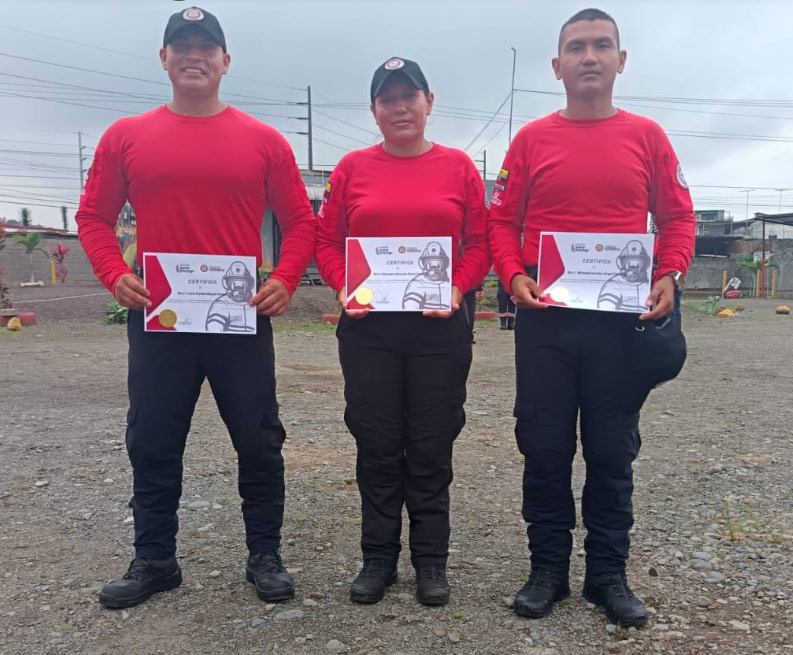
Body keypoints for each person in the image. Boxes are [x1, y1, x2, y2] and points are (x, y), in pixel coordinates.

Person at [76, 6, 316, 609]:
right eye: (181, 45)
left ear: (225, 61)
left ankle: (264, 556)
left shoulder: (264, 141)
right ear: (163, 58)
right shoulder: (125, 137)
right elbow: (93, 217)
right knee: (153, 440)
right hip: (160, 318)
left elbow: (300, 221)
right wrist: (114, 273)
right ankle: (155, 560)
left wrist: (286, 278)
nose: (194, 55)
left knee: (258, 441)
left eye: (206, 47)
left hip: (240, 317)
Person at [487, 8, 695, 627]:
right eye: (576, 47)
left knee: (611, 450)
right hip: (546, 322)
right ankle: (547, 570)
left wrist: (669, 272)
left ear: (620, 61)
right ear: (557, 66)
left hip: (619, 326)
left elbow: (678, 218)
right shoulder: (530, 141)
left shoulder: (648, 138)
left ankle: (607, 575)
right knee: (544, 447)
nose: (589, 56)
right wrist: (512, 273)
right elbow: (501, 219)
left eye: (602, 45)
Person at [315, 57, 490, 606]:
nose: (399, 107)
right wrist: (342, 284)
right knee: (378, 443)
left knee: (431, 444)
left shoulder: (459, 167)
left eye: (408, 96)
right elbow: (326, 242)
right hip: (369, 331)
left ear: (429, 102)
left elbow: (480, 243)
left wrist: (458, 286)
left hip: (438, 330)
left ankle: (431, 562)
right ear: (373, 109)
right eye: (386, 98)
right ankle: (378, 558)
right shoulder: (350, 169)